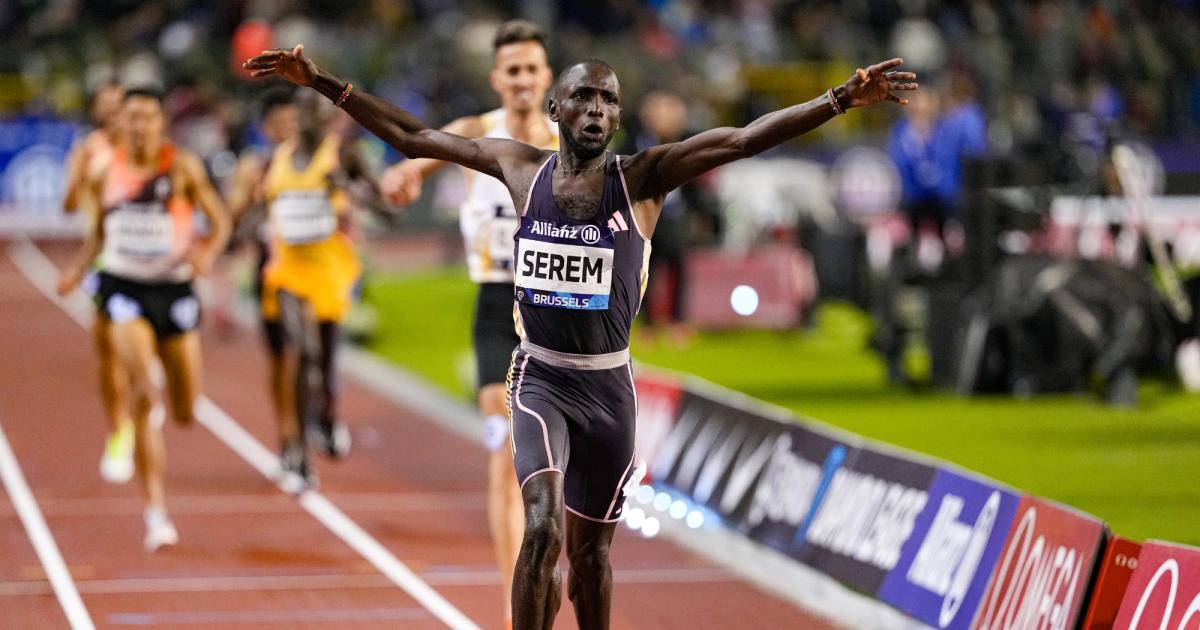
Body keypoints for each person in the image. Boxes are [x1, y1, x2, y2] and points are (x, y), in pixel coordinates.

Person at [245, 44, 915, 628]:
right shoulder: (520, 169)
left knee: (590, 561)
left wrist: (838, 100)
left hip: (609, 391)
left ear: (617, 117)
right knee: (540, 528)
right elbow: (416, 136)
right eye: (584, 97)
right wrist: (323, 82)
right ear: (555, 110)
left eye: (609, 100)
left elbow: (742, 140)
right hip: (540, 380)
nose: (597, 109)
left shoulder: (643, 178)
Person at [377, 19, 556, 625]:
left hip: (555, 313)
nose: (523, 79)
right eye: (513, 70)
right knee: (505, 457)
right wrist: (403, 176)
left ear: (547, 76)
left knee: (551, 471)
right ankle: (513, 606)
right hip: (497, 307)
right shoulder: (475, 131)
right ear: (496, 78)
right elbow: (416, 154)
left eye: (532, 68)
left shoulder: (569, 143)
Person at [57, 87, 232, 551]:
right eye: (131, 117)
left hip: (173, 291)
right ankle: (156, 514)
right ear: (122, 123)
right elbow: (99, 233)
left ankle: (158, 404)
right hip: (124, 288)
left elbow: (220, 220)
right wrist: (77, 269)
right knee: (142, 387)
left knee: (186, 410)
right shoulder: (104, 170)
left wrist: (207, 254)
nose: (137, 126)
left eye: (147, 117)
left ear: (161, 123)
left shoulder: (182, 167)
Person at [243, 89, 385, 489]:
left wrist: (347, 188)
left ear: (331, 116)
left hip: (330, 272)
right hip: (286, 271)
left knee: (322, 361)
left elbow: (385, 207)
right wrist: (236, 234)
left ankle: (325, 416)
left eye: (313, 111)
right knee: (301, 353)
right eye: (300, 112)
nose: (305, 120)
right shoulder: (275, 160)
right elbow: (262, 207)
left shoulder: (344, 155)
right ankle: (298, 451)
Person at [61, 82, 136, 484]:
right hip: (104, 257)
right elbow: (69, 205)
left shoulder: (149, 149)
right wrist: (79, 175)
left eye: (118, 106)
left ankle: (143, 395)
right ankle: (119, 430)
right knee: (109, 355)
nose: (112, 113)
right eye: (105, 106)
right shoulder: (89, 150)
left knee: (138, 349)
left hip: (146, 260)